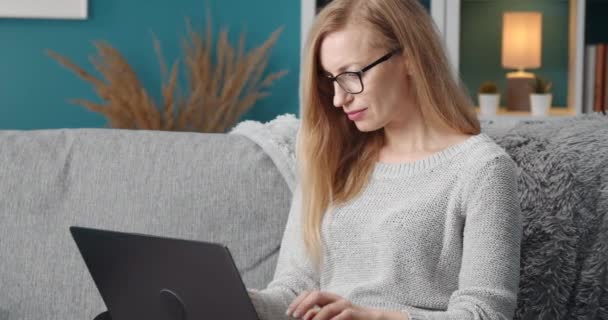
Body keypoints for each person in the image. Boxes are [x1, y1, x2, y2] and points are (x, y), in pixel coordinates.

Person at [247, 0, 522, 319]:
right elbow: (296, 292)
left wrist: (373, 317)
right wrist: (235, 299)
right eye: (331, 79)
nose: (339, 98)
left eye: (351, 74)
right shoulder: (330, 155)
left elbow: (487, 314)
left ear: (409, 58)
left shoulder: (483, 169)